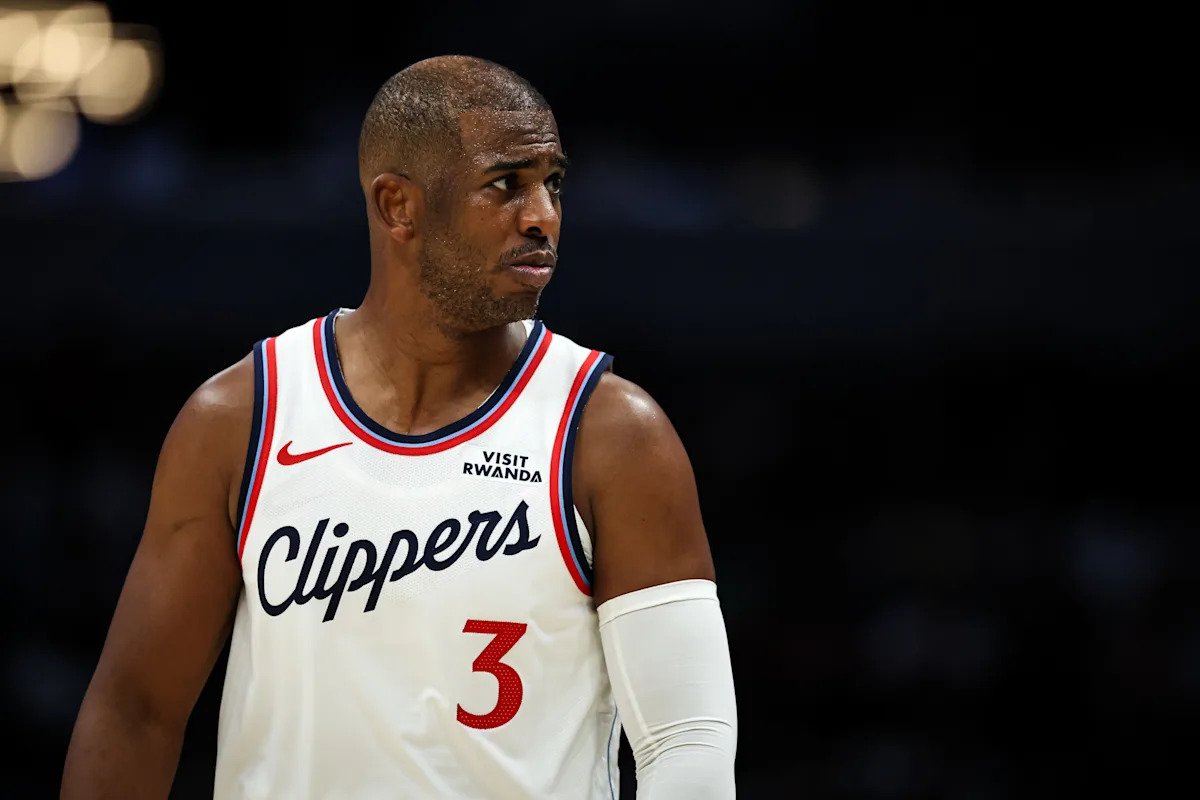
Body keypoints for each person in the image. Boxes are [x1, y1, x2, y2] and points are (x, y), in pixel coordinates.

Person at [61, 55, 737, 799]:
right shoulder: (239, 420)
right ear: (397, 206)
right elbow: (135, 712)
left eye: (553, 182)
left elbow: (687, 743)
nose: (543, 215)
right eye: (506, 183)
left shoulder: (614, 435)